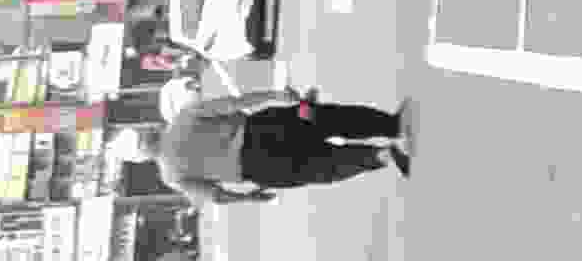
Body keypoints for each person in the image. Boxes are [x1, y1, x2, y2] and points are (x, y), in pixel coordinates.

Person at [155, 85, 408, 201]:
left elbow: (215, 194)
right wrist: (277, 95)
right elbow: (234, 103)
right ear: (153, 129)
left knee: (324, 166)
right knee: (329, 119)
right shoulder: (184, 118)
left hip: (259, 168)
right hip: (262, 127)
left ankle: (380, 155)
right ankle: (390, 125)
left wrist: (247, 197)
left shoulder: (171, 175)